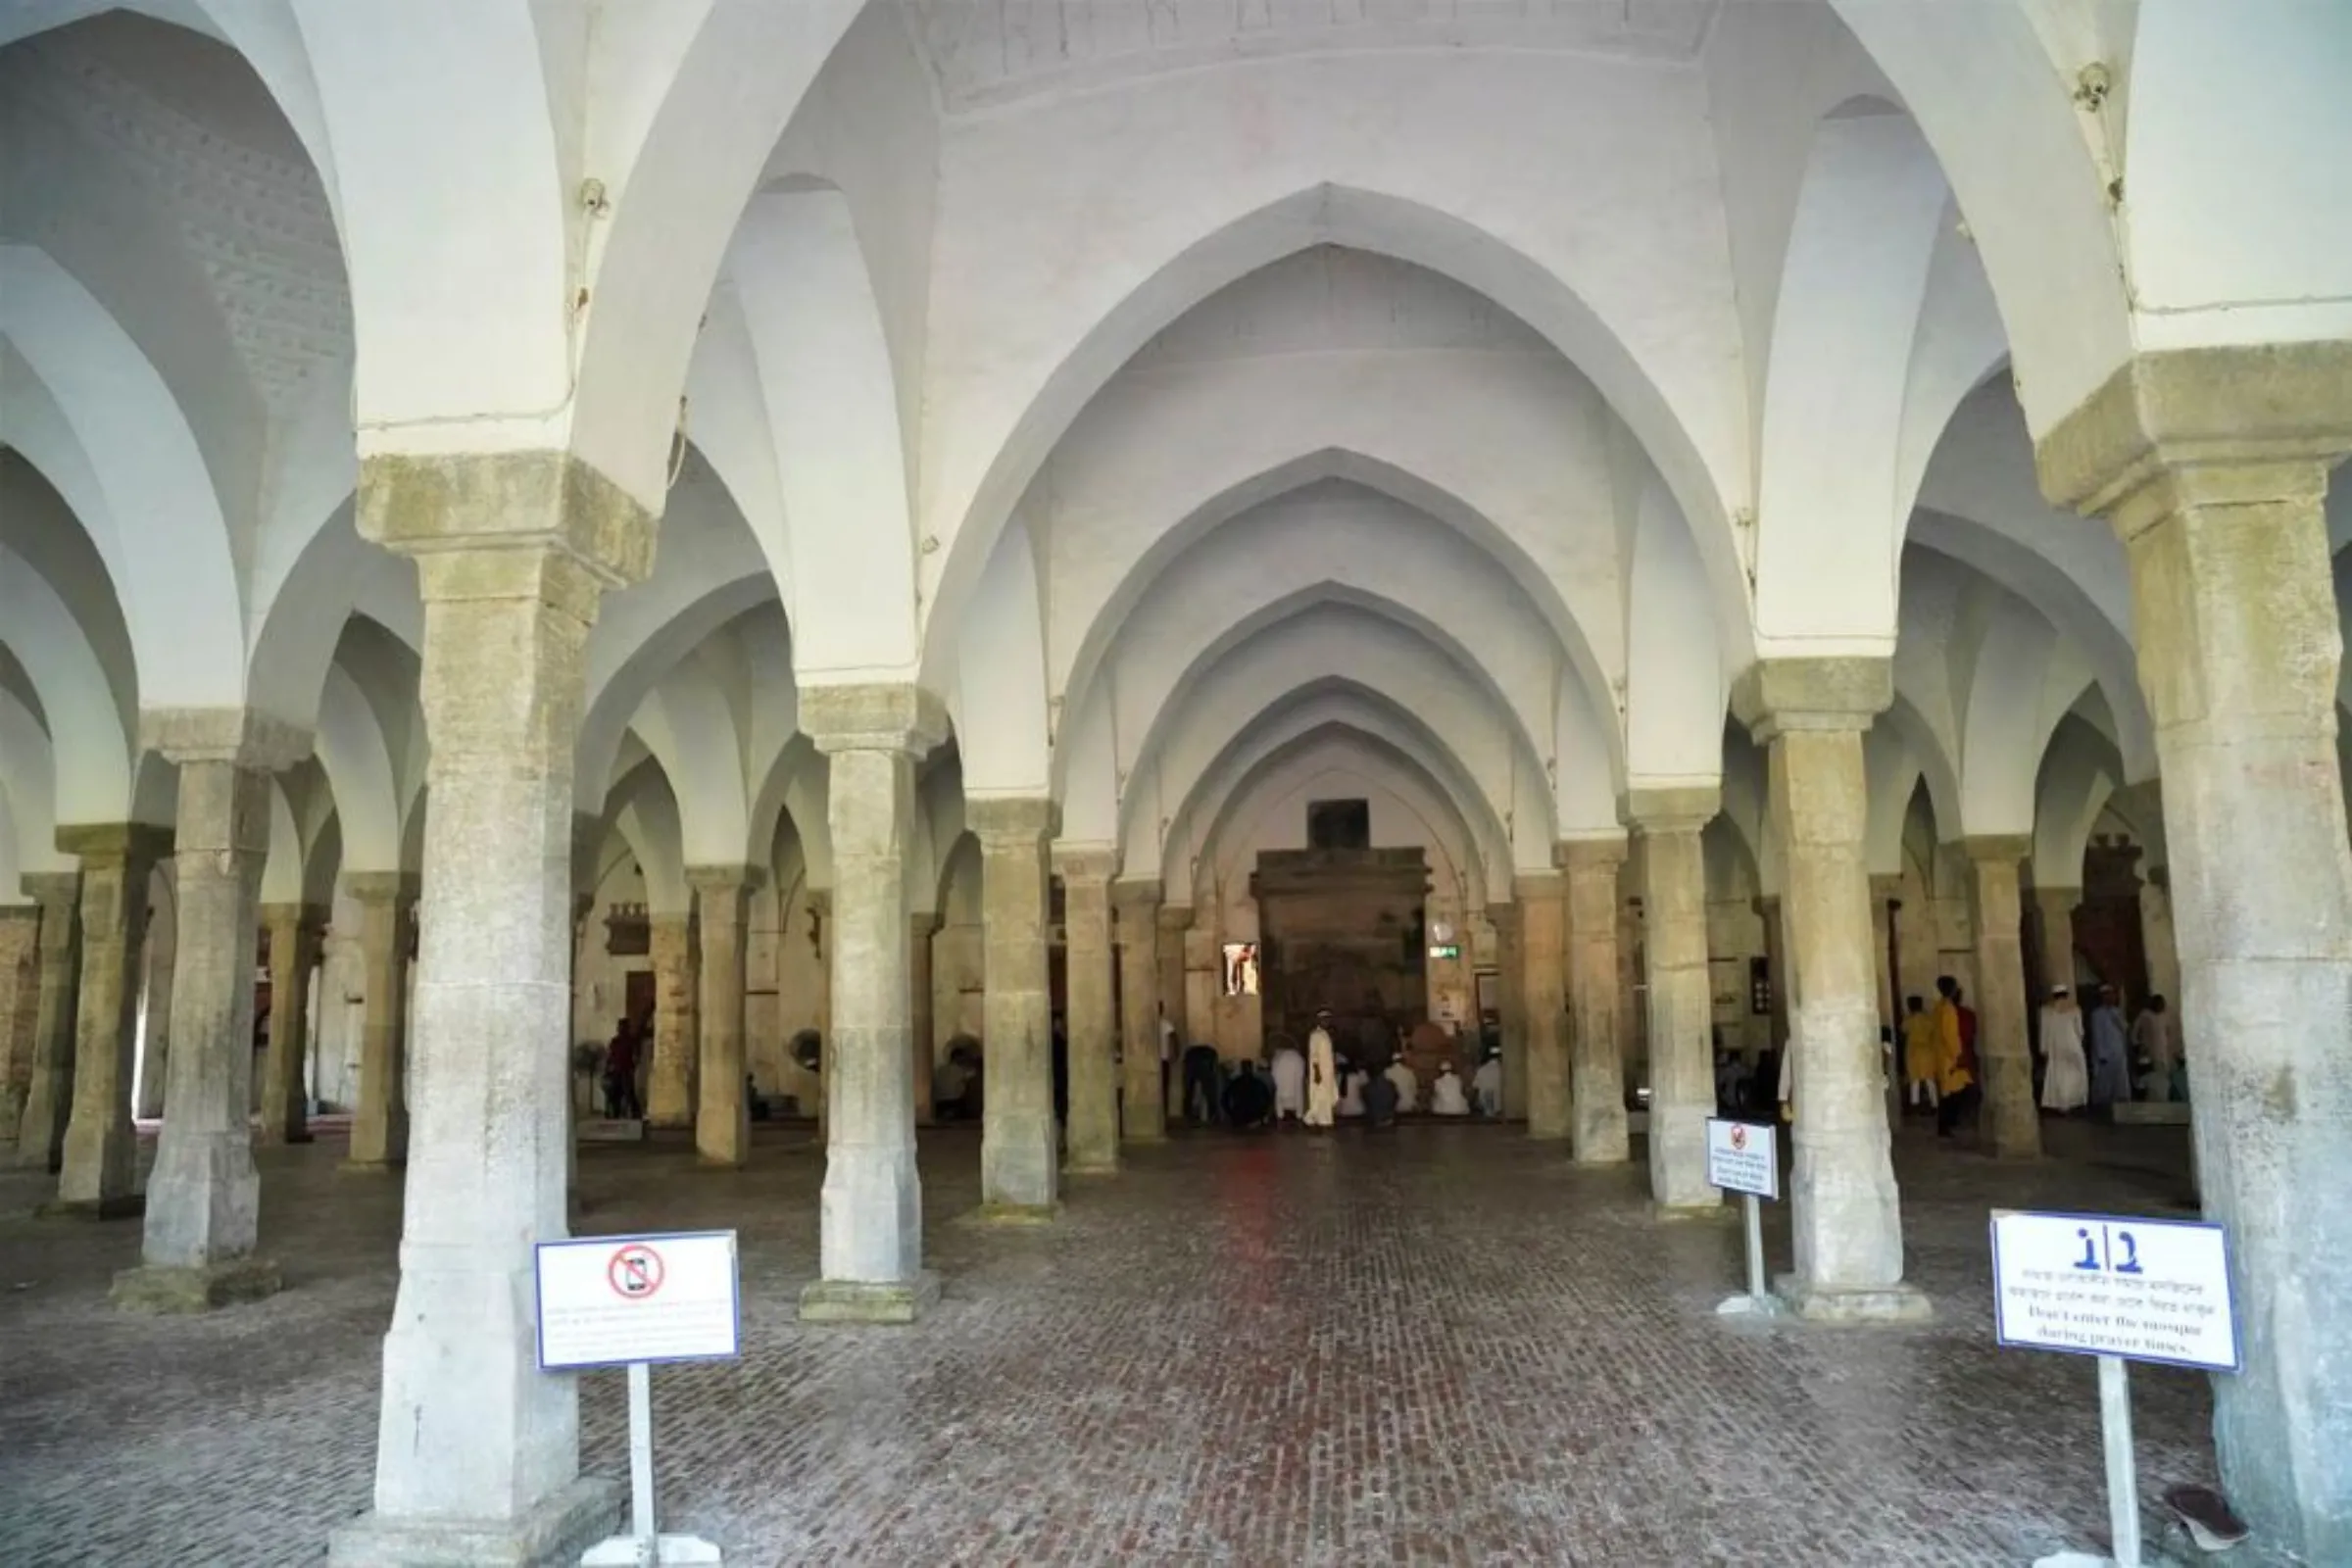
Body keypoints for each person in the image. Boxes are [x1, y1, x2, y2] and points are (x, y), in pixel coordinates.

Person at [1934, 976, 1980, 1138]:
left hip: (1941, 1054)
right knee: (1953, 1092)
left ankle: (1949, 1122)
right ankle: (1945, 1125)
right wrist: (1958, 1055)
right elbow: (1951, 1035)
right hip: (1950, 1057)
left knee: (1951, 1091)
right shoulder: (1948, 1009)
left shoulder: (1938, 1006)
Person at [2038, 985, 2088, 1112]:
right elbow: (2080, 1031)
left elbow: (2044, 1031)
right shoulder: (2075, 1010)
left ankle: (2061, 1102)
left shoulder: (2046, 1011)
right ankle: (2074, 1100)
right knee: (2075, 1073)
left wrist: (2044, 1048)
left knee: (2058, 1073)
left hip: (2055, 1045)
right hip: (2072, 1043)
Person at [2088, 986, 2132, 1107]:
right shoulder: (2097, 1014)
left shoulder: (2117, 1012)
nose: (2110, 997)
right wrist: (2101, 1053)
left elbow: (2125, 1028)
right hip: (2105, 1053)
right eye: (2107, 995)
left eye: (2111, 994)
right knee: (2104, 1082)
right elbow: (2097, 1034)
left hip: (2118, 1051)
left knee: (2120, 1080)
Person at [2132, 995, 2176, 1102]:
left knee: (2163, 1079)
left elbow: (2168, 1032)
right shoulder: (2145, 1015)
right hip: (2149, 1053)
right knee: (2151, 1080)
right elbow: (2134, 1032)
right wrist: (2138, 1045)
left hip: (2163, 1053)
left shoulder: (2164, 1016)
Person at [1901, 996, 1939, 1113]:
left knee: (1915, 1080)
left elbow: (1903, 1030)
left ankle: (1915, 1104)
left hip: (1913, 1052)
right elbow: (1934, 1032)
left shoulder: (1909, 1020)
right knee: (1930, 1080)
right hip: (1927, 1051)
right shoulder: (1928, 1019)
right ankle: (1935, 1103)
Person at [1303, 1009, 1340, 1128]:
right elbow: (1314, 1055)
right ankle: (1313, 1118)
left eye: (1328, 1019)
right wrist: (1317, 1071)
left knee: (1327, 1095)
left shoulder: (1325, 1035)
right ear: (1319, 1021)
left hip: (1327, 1072)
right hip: (1319, 1072)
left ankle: (1325, 1119)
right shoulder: (1315, 1035)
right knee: (1319, 1096)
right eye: (1324, 1019)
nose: (1327, 1022)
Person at [603, 1018, 643, 1119]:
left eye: (623, 1027)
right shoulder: (615, 1041)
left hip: (626, 1071)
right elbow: (610, 1056)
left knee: (629, 1093)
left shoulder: (631, 1041)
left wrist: (633, 1067)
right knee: (616, 1094)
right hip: (617, 1071)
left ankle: (635, 1114)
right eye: (620, 1027)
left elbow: (636, 1055)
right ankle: (615, 1114)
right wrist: (608, 1069)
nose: (621, 1029)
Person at [1222, 1059, 1273, 1130]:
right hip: (1255, 1117)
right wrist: (1262, 1115)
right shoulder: (1259, 1083)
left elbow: (1224, 1100)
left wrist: (1231, 1114)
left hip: (1239, 1116)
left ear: (1241, 1069)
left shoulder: (1235, 1083)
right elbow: (1267, 1100)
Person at [933, 1045, 979, 1120]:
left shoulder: (940, 1069)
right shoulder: (961, 1070)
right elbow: (974, 1073)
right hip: (956, 1102)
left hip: (938, 1102)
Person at [1182, 1042, 1222, 1124]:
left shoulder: (1191, 1056)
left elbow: (1188, 1085)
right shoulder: (1208, 1056)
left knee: (1190, 1089)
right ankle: (1213, 1114)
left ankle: (1190, 1114)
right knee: (1210, 1091)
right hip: (1202, 1062)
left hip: (1196, 1061)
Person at [1269, 1040, 1307, 1123]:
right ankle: (1299, 1116)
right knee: (1298, 1091)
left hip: (1281, 1089)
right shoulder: (1297, 1057)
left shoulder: (1278, 1057)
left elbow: (1274, 1075)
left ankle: (1280, 1117)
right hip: (1295, 1087)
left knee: (1279, 1094)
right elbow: (1301, 1076)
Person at [1471, 1051, 1502, 1117]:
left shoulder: (1481, 1069)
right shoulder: (1502, 1069)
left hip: (1484, 1101)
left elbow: (1475, 1085)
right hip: (1500, 1103)